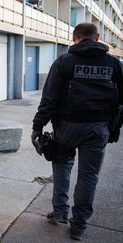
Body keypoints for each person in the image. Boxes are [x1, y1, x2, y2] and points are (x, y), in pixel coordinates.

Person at [31, 22, 123, 241]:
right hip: (98, 128)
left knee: (62, 166)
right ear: (98, 37)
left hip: (67, 127)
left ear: (74, 38)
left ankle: (60, 212)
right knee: (89, 176)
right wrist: (114, 128)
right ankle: (79, 226)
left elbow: (49, 100)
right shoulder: (114, 64)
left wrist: (37, 126)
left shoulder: (64, 62)